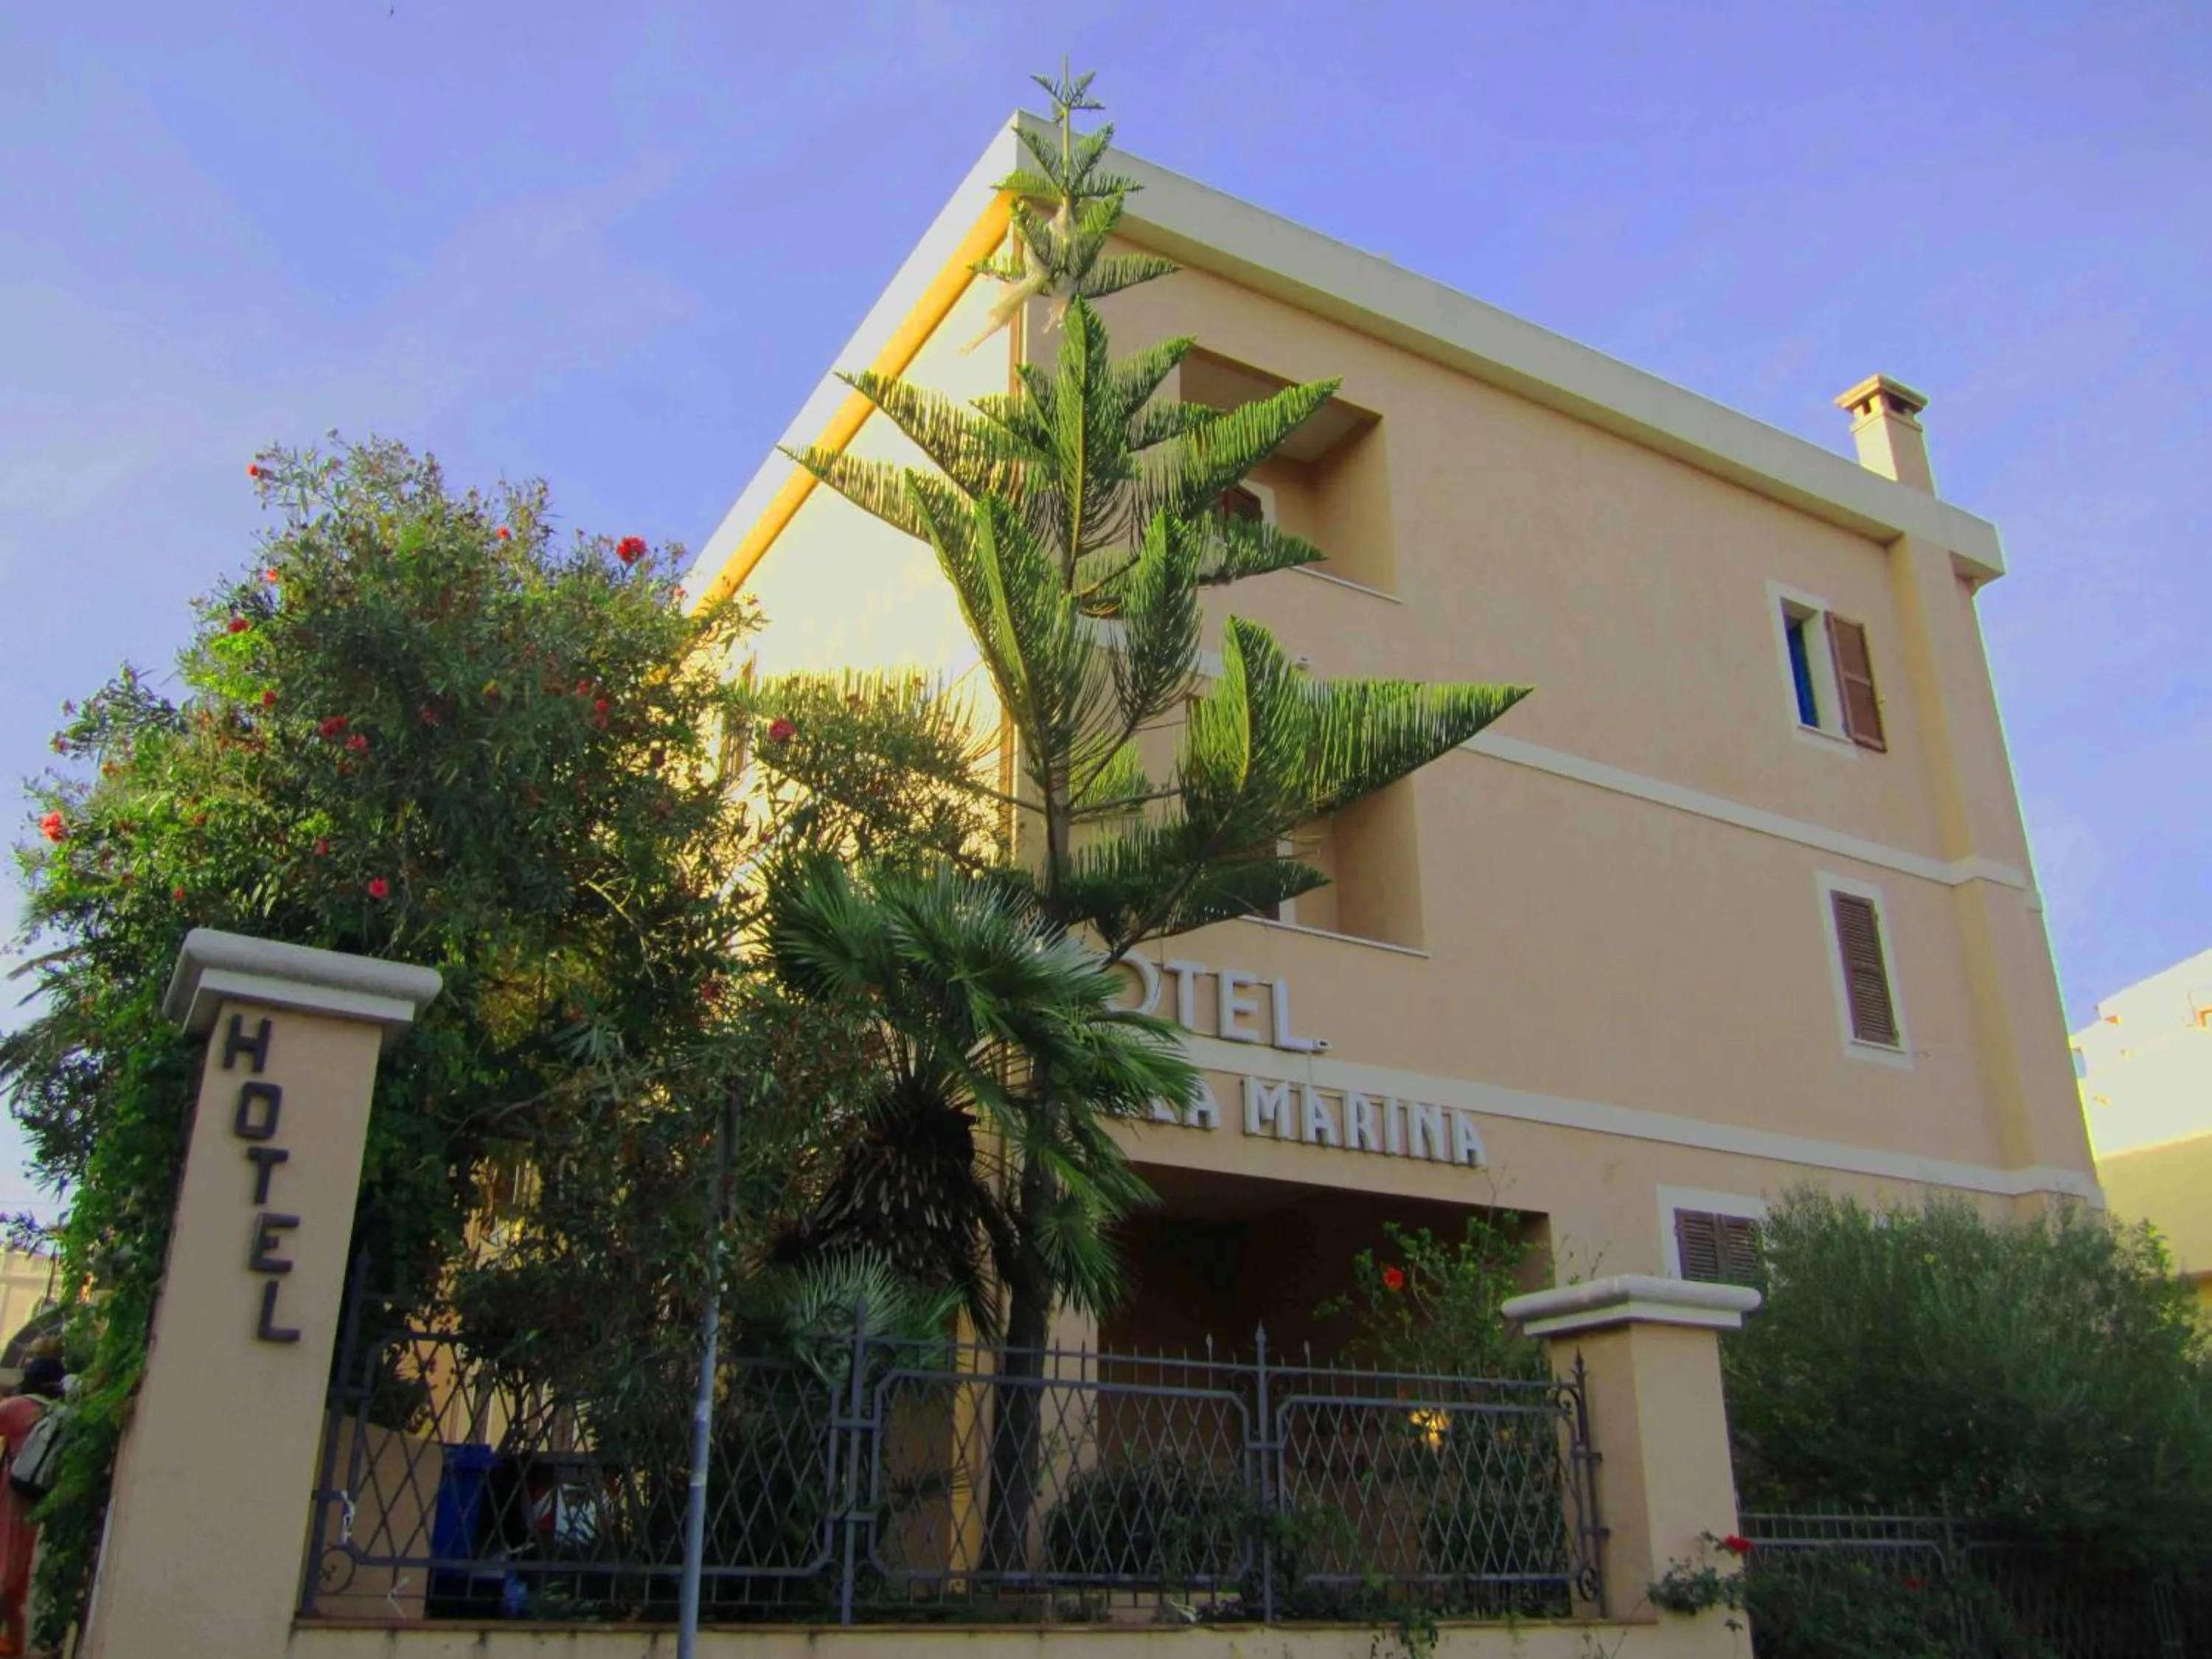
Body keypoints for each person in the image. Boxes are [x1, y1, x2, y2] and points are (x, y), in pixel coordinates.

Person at [0, 1353, 64, 1659]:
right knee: (15, 1579)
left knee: (5, 1573)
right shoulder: (58, 1414)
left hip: (11, 1496)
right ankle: (14, 1648)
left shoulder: (19, 1407)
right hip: (37, 1499)